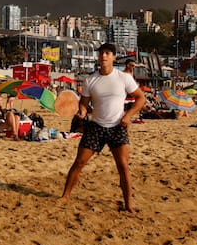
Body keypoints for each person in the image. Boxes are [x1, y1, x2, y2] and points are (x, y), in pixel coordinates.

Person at [58, 43, 147, 212]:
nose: (103, 56)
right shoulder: (90, 79)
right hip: (96, 126)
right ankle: (65, 196)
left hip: (117, 126)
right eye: (101, 53)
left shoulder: (124, 77)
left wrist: (128, 116)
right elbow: (84, 103)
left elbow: (141, 98)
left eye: (107, 53)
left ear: (113, 57)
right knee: (79, 162)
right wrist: (82, 112)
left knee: (123, 165)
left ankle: (129, 205)